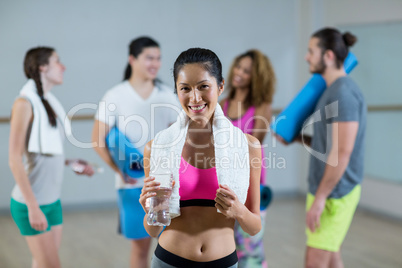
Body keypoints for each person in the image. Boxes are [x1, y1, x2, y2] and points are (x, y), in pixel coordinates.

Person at [139, 48, 262, 268]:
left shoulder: (247, 146)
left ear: (220, 86)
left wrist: (239, 211)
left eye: (204, 86)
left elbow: (254, 227)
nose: (195, 98)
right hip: (169, 260)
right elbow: (153, 229)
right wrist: (151, 211)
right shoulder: (157, 148)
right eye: (185, 88)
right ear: (176, 91)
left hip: (223, 262)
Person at [276, 28, 366, 268]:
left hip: (336, 193)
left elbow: (343, 153)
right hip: (325, 190)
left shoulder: (344, 93)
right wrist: (296, 138)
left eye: (310, 51)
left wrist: (321, 199)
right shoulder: (330, 91)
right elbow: (327, 145)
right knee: (332, 256)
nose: (307, 57)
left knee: (314, 262)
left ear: (327, 56)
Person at [92, 37, 179, 268]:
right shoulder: (115, 95)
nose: (155, 63)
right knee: (140, 250)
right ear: (132, 59)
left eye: (158, 58)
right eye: (149, 57)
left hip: (165, 184)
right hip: (131, 186)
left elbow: (181, 138)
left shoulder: (167, 95)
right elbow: (97, 140)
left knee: (171, 247)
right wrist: (118, 171)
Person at [9, 47, 94, 268]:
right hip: (31, 204)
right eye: (58, 61)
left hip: (52, 202)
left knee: (42, 264)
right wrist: (33, 207)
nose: (63, 66)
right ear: (42, 67)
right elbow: (14, 159)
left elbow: (44, 153)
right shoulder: (24, 104)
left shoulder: (49, 103)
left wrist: (71, 162)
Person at [220, 49, 276, 268]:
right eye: (238, 67)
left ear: (257, 77)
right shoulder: (222, 104)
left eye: (247, 71)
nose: (239, 73)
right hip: (224, 184)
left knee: (250, 248)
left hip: (252, 184)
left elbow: (255, 144)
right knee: (226, 247)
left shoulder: (262, 107)